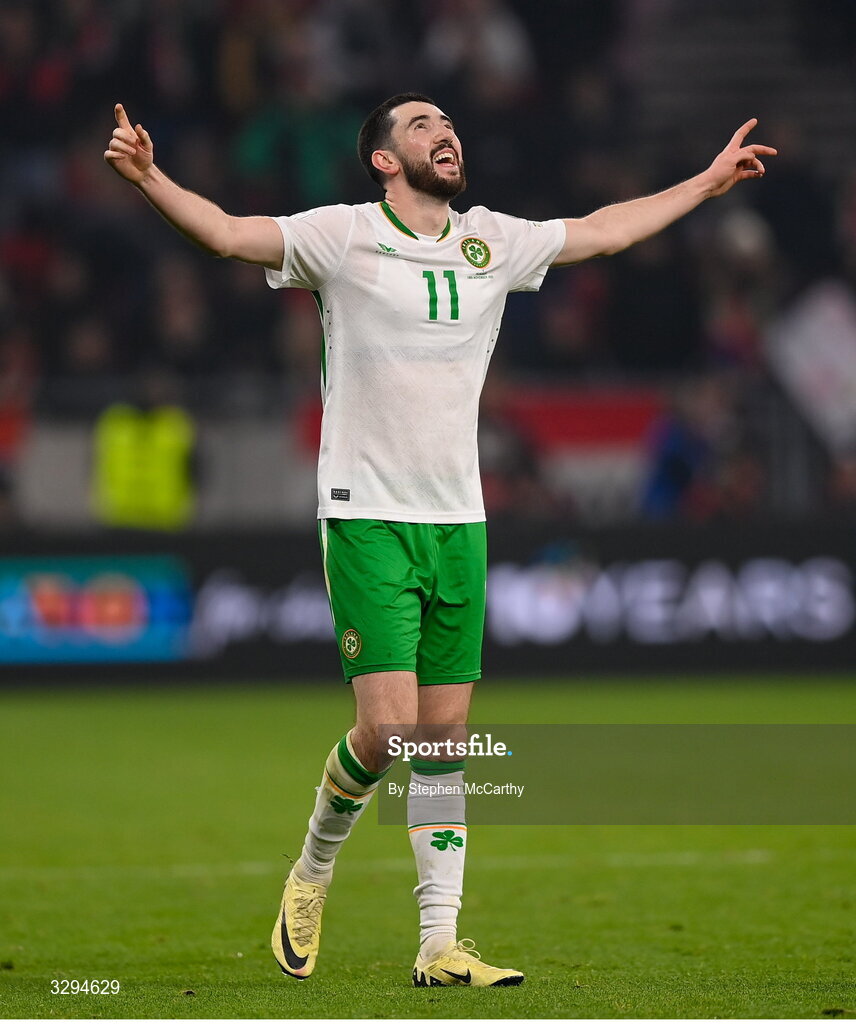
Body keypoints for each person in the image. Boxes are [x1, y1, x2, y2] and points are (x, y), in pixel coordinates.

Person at [104, 92, 776, 987]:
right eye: (420, 125)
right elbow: (228, 234)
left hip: (458, 517)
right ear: (384, 158)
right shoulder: (341, 236)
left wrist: (704, 182)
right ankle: (311, 872)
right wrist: (151, 177)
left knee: (445, 739)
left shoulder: (491, 240)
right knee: (387, 729)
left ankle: (439, 942)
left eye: (448, 123)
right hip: (367, 510)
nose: (443, 132)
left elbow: (603, 232)